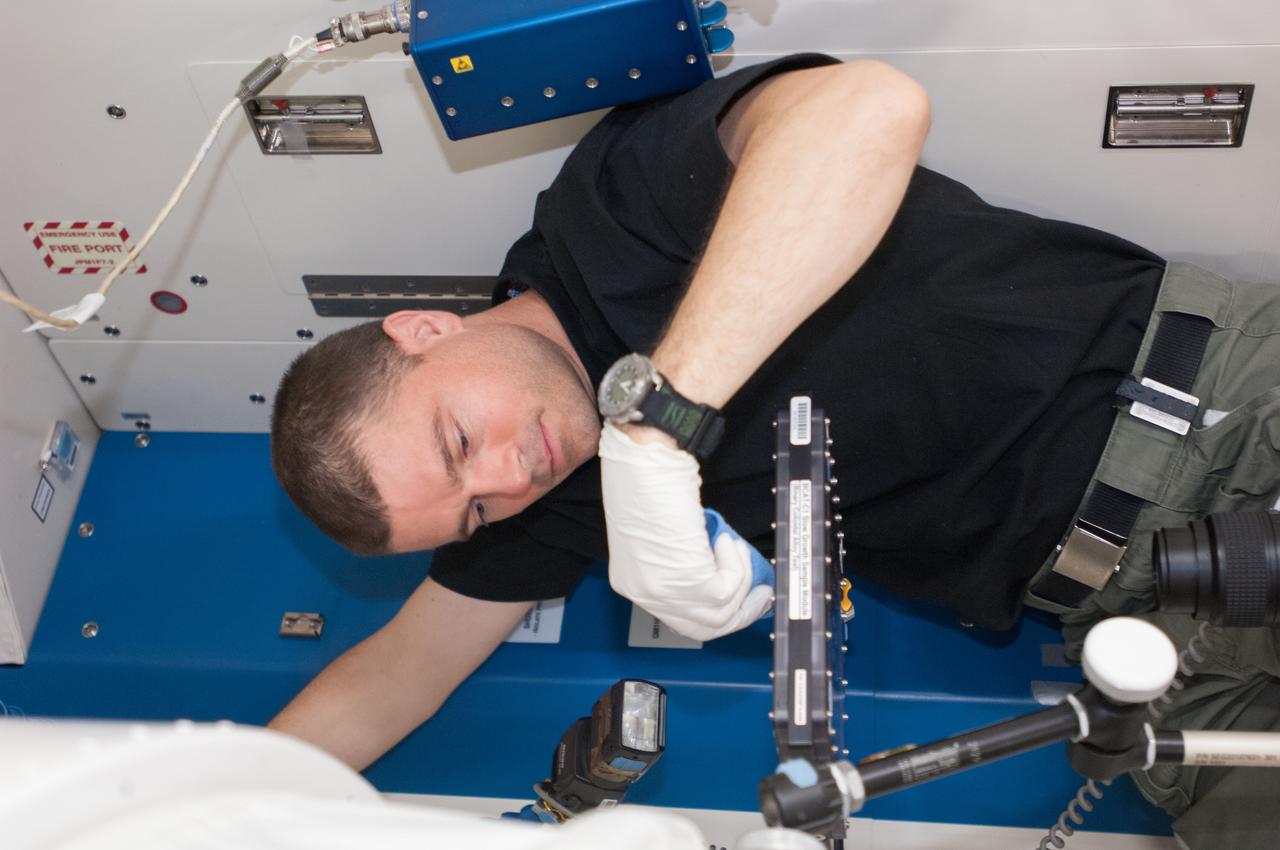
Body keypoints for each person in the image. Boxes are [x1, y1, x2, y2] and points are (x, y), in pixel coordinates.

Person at [267, 53, 1280, 848]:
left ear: (424, 329)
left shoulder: (610, 210)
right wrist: (172, 810)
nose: (507, 476)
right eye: (477, 511)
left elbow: (867, 109)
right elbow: (395, 672)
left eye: (457, 441)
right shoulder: (559, 494)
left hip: (1220, 413)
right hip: (1149, 621)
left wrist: (660, 427)